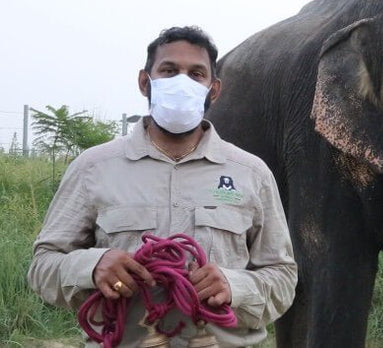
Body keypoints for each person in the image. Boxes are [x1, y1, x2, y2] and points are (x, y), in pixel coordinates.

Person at [27, 26, 298, 347]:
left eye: (196, 74)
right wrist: (92, 265)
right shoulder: (94, 167)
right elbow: (43, 266)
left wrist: (233, 285)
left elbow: (282, 277)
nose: (182, 82)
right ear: (146, 82)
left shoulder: (251, 173)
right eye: (169, 71)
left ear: (214, 89)